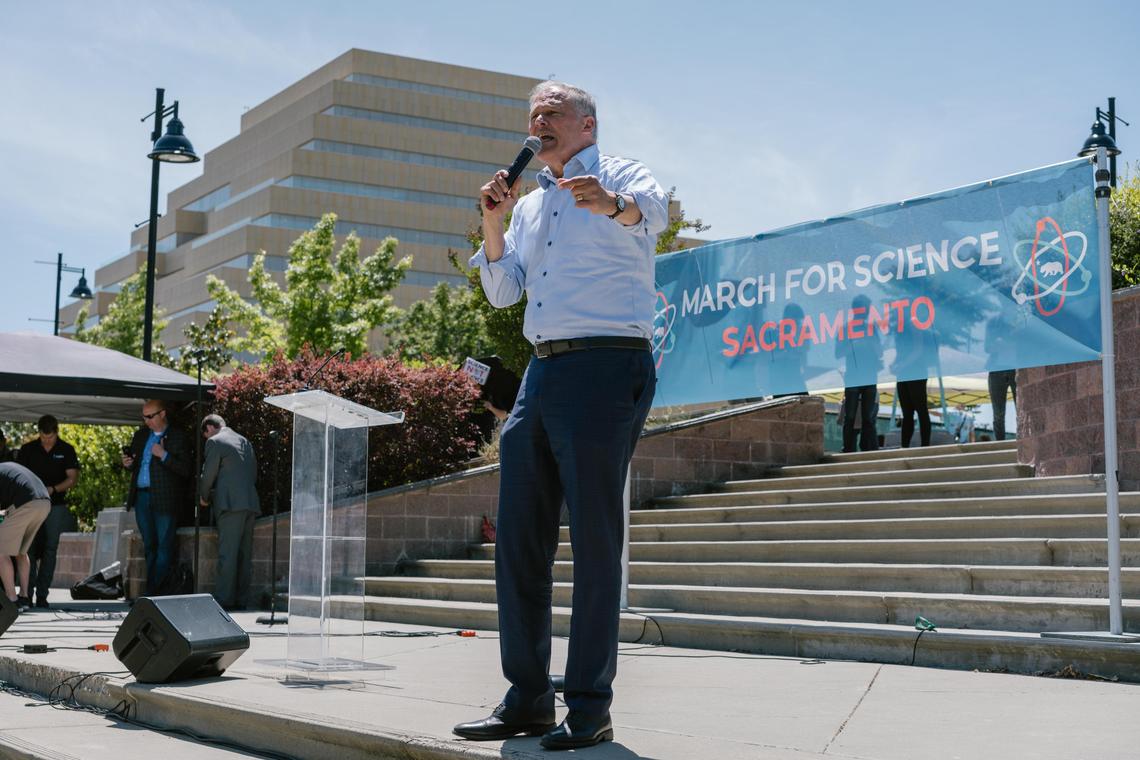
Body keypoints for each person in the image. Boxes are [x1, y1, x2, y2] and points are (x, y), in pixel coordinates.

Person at [452, 80, 666, 751]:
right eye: (532, 115)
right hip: (542, 370)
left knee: (596, 540)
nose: (538, 122)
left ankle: (590, 707)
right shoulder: (531, 205)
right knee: (518, 537)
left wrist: (611, 204)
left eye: (552, 112)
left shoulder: (620, 173)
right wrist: (492, 220)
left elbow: (653, 212)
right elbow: (502, 290)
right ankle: (529, 698)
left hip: (608, 363)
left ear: (586, 123)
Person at [122, 400, 190, 595]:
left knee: (164, 547)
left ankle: (155, 592)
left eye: (150, 416)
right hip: (142, 497)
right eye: (144, 417)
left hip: (165, 499)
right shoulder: (141, 436)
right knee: (149, 546)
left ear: (162, 414)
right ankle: (151, 591)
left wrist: (164, 455)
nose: (147, 421)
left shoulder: (178, 437)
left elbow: (185, 470)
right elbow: (135, 466)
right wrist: (128, 464)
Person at [17, 415, 79, 609]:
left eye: (50, 438)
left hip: (56, 504)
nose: (46, 441)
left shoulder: (66, 449)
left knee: (51, 548)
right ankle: (27, 593)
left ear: (56, 432)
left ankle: (43, 595)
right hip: (31, 505)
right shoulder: (28, 450)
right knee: (29, 549)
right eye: (43, 438)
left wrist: (53, 489)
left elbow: (72, 478)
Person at [198, 414, 259, 611]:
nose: (206, 439)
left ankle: (224, 600)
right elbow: (253, 472)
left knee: (228, 554)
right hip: (250, 503)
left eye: (205, 435)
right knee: (244, 554)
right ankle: (242, 599)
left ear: (209, 428)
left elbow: (208, 475)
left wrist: (204, 497)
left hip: (230, 505)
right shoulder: (245, 441)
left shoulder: (215, 442)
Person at [0, 462, 51, 610]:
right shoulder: (7, 469)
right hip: (44, 503)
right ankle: (24, 597)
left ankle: (12, 600)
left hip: (26, 503)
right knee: (21, 552)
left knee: (1, 552)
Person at [836, 294, 883, 453]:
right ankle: (848, 448)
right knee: (849, 416)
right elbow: (838, 352)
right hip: (853, 376)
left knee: (868, 418)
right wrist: (856, 344)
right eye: (866, 308)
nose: (867, 312)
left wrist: (870, 342)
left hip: (869, 375)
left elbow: (880, 351)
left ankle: (867, 448)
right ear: (856, 310)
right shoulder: (846, 328)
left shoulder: (872, 328)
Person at [988, 369, 1016, 440]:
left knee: (1022, 411)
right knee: (998, 414)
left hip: (1016, 368)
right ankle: (999, 442)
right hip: (996, 370)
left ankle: (1026, 440)